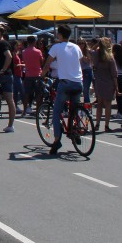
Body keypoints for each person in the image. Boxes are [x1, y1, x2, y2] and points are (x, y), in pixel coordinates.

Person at [42, 24, 83, 155]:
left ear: (59, 35)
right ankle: (73, 129)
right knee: (73, 109)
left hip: (65, 83)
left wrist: (41, 75)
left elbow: (48, 63)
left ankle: (57, 140)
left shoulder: (56, 47)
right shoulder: (76, 47)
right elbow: (78, 61)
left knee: (57, 111)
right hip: (78, 82)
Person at [0, 25, 17, 132]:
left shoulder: (2, 44)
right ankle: (10, 125)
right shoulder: (5, 43)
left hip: (3, 75)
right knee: (10, 99)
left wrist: (3, 69)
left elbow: (9, 56)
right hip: (8, 74)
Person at [92, 37, 118, 131]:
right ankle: (106, 125)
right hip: (109, 83)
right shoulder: (110, 57)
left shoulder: (96, 55)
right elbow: (114, 73)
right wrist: (116, 87)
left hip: (99, 82)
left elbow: (90, 50)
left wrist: (98, 43)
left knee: (99, 104)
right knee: (108, 104)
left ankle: (97, 124)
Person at [21, 36, 44, 116]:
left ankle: (24, 110)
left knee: (26, 93)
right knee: (38, 94)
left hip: (28, 74)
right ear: (34, 42)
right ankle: (38, 110)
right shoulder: (38, 51)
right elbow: (41, 62)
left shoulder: (24, 51)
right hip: (37, 74)